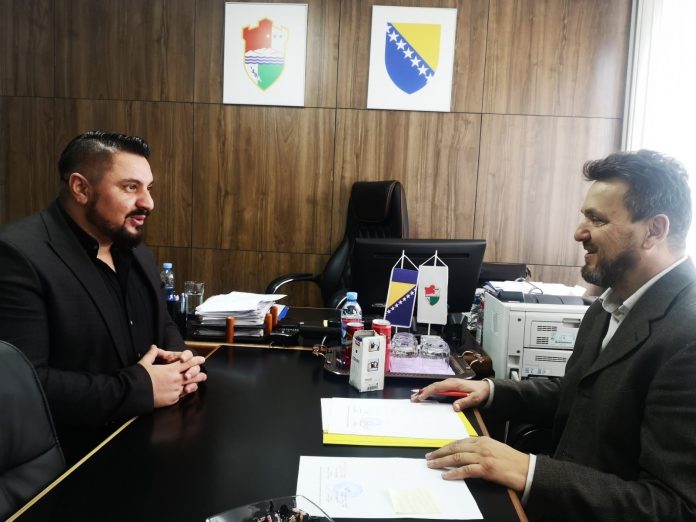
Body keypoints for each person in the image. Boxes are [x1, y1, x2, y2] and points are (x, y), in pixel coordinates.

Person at [414, 150, 696, 521]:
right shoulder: (607, 306)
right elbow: (580, 394)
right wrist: (491, 390)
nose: (580, 233)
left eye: (597, 219)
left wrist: (529, 471)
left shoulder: (687, 335)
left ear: (655, 230)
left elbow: (675, 507)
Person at [0, 131, 207, 463]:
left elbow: (163, 323)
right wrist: (139, 389)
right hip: (73, 460)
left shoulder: (133, 247)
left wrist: (183, 363)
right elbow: (24, 385)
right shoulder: (18, 255)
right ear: (81, 188)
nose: (148, 203)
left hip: (153, 439)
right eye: (131, 187)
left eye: (148, 188)